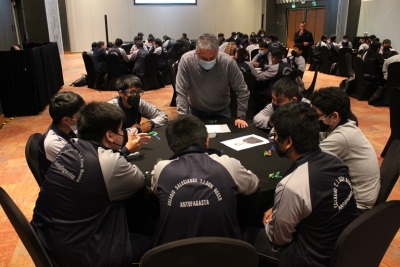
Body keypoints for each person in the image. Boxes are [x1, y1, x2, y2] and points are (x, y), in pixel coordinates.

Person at [31, 101, 152, 266]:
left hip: (48, 238)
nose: (122, 134)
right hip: (80, 253)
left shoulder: (68, 147)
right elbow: (138, 181)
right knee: (153, 246)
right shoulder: (108, 162)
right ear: (110, 136)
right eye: (120, 130)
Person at [245, 102, 358, 267]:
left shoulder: (292, 185)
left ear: (288, 142)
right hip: (342, 249)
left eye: (276, 136)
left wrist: (272, 219)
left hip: (311, 259)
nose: (275, 140)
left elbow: (279, 238)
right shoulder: (335, 160)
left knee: (244, 235)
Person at [151, 115, 259, 247]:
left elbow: (157, 192)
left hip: (173, 256)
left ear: (172, 147)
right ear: (207, 141)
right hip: (227, 254)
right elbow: (253, 185)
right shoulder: (228, 164)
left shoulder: (160, 169)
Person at [310, 87, 380, 213]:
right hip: (350, 193)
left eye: (317, 116)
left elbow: (309, 160)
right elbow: (317, 137)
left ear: (334, 116)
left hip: (356, 206)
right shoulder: (341, 125)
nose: (315, 120)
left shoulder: (342, 137)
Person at [175, 33, 249, 128]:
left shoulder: (228, 62)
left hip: (222, 111)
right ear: (196, 53)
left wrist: (241, 116)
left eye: (212, 58)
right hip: (196, 111)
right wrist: (183, 118)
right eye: (204, 58)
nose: (208, 61)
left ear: (218, 53)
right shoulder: (187, 60)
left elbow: (242, 90)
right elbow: (181, 92)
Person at [38, 91, 86, 178]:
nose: (84, 118)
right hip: (64, 186)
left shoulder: (70, 127)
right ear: (66, 120)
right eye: (80, 115)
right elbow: (83, 166)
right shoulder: (54, 142)